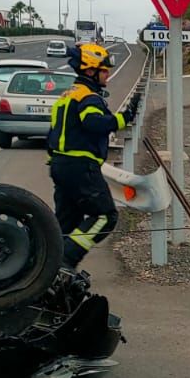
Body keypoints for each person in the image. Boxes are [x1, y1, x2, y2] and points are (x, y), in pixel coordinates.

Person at [48, 43, 138, 269]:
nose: (107, 74)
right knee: (105, 217)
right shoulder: (89, 98)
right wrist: (124, 118)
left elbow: (54, 132)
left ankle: (43, 266)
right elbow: (94, 123)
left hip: (60, 165)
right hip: (81, 167)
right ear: (90, 71)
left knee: (66, 223)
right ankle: (66, 260)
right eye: (104, 70)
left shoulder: (66, 96)